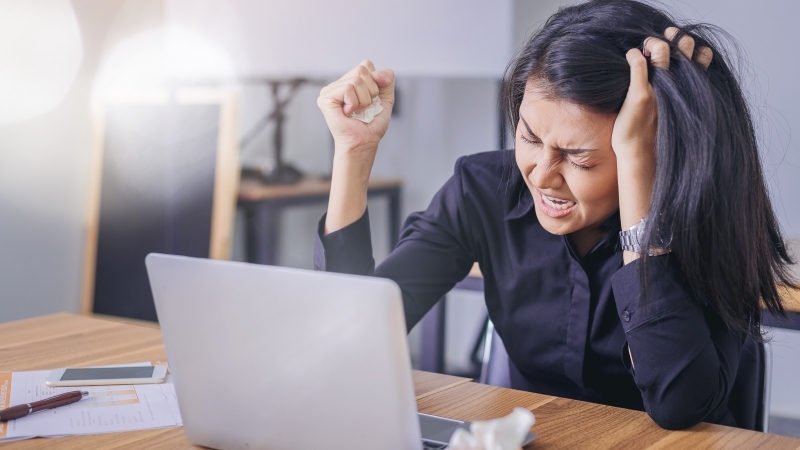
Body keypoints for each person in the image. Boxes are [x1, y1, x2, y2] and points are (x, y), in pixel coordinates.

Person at [313, 0, 798, 430]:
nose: (542, 175)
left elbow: (681, 406)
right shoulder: (482, 191)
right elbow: (355, 343)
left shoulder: (701, 209)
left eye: (579, 158)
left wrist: (640, 202)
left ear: (645, 148)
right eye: (528, 136)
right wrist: (353, 154)